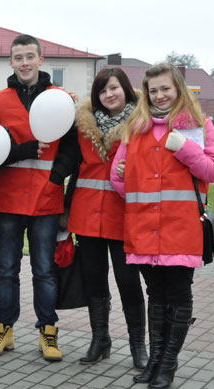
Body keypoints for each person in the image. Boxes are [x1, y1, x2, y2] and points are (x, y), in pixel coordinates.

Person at [110, 63, 214, 389]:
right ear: (146, 94)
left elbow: (212, 171)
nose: (159, 95)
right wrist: (119, 176)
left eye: (165, 89)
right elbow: (121, 182)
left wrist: (184, 148)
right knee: (155, 295)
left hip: (180, 228)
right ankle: (155, 359)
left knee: (178, 294)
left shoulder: (198, 126)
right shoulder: (135, 129)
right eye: (153, 90)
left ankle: (168, 364)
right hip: (144, 228)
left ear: (178, 89)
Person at [0, 34, 76, 361]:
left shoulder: (60, 98)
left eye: (29, 57)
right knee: (6, 269)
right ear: (10, 61)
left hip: (46, 200)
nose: (24, 63)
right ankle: (3, 329)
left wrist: (56, 174)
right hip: (7, 200)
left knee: (44, 270)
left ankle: (47, 333)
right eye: (18, 57)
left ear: (41, 59)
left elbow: (73, 149)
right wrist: (18, 152)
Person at [49, 67, 147, 368]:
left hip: (124, 216)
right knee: (94, 281)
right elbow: (73, 165)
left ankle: (137, 347)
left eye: (114, 88)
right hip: (87, 216)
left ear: (126, 89)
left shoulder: (141, 123)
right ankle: (100, 339)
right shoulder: (83, 126)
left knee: (128, 282)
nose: (109, 94)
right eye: (103, 90)